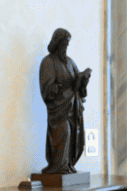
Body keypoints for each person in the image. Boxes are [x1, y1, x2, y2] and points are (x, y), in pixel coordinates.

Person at [39, 28, 91, 174]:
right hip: (59, 110)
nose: (65, 48)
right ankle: (58, 167)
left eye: (67, 45)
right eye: (63, 44)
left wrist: (83, 81)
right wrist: (52, 90)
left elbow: (77, 81)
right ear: (56, 43)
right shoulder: (48, 62)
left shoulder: (70, 62)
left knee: (76, 137)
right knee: (64, 133)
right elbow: (46, 88)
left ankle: (68, 165)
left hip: (74, 108)